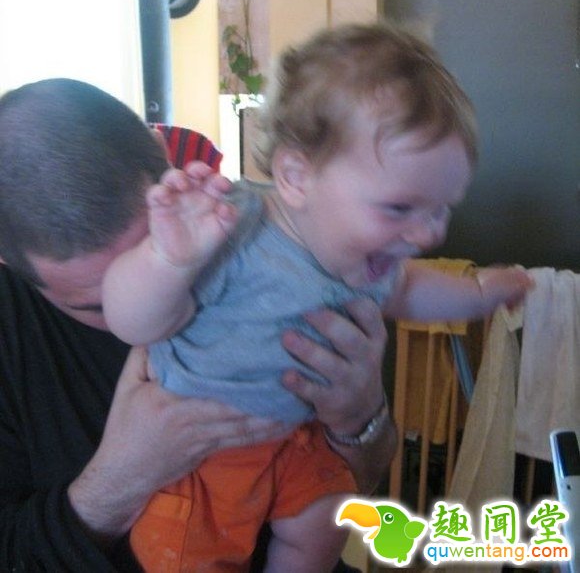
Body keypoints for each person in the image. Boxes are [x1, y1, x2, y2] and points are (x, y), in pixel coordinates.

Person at [102, 22, 533, 572]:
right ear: (296, 176)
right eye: (401, 208)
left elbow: (410, 289)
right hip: (203, 456)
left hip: (298, 441)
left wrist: (478, 294)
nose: (430, 234)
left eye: (442, 208)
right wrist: (168, 260)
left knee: (327, 522)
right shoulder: (231, 228)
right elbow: (132, 322)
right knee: (188, 555)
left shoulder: (368, 259)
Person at [0, 77, 397, 572]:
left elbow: (364, 481)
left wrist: (361, 422)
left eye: (176, 255)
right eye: (100, 306)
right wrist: (119, 479)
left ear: (164, 154)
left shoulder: (280, 239)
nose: (158, 311)